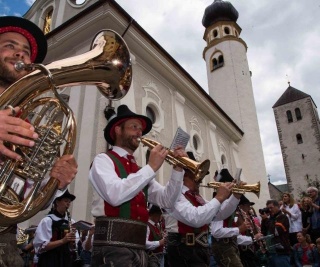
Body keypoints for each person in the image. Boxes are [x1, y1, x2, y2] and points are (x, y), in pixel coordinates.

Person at [0, 16, 78, 266]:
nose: (19, 54)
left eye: (25, 52)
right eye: (10, 45)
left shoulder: (27, 119)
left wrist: (53, 182)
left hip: (6, 243)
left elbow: (24, 199)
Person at [89, 104, 187, 267]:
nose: (139, 132)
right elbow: (114, 195)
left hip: (140, 249)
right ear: (117, 130)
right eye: (134, 127)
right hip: (112, 247)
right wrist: (151, 168)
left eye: (140, 129)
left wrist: (178, 169)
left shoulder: (140, 171)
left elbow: (167, 201)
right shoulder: (103, 160)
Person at [164, 160, 239, 267]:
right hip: (183, 250)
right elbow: (195, 218)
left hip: (199, 249)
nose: (200, 179)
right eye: (196, 175)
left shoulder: (197, 197)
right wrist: (219, 197)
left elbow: (220, 214)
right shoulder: (175, 194)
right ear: (185, 175)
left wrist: (235, 196)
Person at [211, 193, 261, 267]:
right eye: (247, 205)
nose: (249, 208)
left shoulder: (232, 212)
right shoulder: (221, 208)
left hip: (233, 247)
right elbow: (216, 232)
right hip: (225, 248)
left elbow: (234, 237)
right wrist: (240, 230)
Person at [33, 190, 78, 267]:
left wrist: (72, 241)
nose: (68, 204)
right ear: (57, 202)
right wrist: (63, 241)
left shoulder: (71, 222)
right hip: (50, 259)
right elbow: (41, 247)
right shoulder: (47, 221)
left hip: (65, 259)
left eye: (69, 202)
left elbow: (72, 247)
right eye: (66, 201)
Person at [261, 199, 291, 266]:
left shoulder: (282, 217)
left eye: (271, 208)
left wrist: (266, 219)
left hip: (280, 252)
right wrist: (263, 220)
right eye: (268, 208)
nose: (270, 210)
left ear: (277, 206)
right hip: (270, 252)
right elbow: (263, 233)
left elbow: (276, 231)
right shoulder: (270, 219)